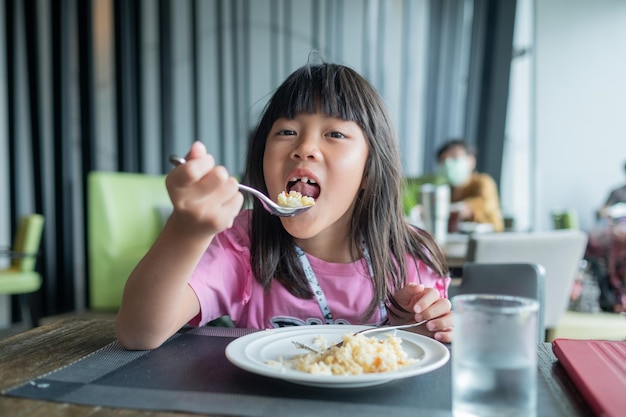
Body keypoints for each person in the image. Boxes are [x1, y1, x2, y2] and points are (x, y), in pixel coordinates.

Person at [116, 62, 454, 350]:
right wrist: (186, 230)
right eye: (287, 131)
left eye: (334, 134)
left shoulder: (410, 257)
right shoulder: (242, 245)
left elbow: (430, 348)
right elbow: (138, 332)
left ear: (369, 169)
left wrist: (419, 331)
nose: (305, 147)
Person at [436, 139, 504, 232]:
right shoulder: (445, 190)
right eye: (444, 160)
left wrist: (443, 210)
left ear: (471, 160)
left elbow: (475, 206)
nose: (448, 164)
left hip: (489, 241)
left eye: (455, 158)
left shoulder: (483, 182)